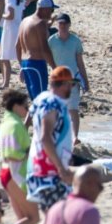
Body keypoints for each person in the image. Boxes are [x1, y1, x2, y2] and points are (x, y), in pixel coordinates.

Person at [25, 67, 75, 210]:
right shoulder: (52, 104)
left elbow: (30, 116)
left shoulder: (42, 98)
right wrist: (61, 168)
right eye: (71, 84)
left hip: (44, 167)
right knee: (56, 218)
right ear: (65, 84)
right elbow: (45, 138)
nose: (71, 88)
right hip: (48, 172)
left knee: (54, 219)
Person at [0, 89, 38, 224]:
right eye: (26, 107)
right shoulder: (14, 125)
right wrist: (30, 152)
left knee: (22, 219)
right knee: (33, 218)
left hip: (8, 173)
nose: (28, 110)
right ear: (16, 106)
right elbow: (10, 155)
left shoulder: (7, 123)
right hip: (15, 175)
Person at [48, 12, 89, 142]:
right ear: (57, 24)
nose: (63, 26)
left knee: (73, 109)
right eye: (60, 23)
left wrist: (86, 81)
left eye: (65, 23)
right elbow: (47, 59)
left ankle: (75, 136)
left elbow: (80, 63)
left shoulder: (75, 41)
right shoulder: (52, 40)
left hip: (72, 80)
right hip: (56, 80)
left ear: (69, 24)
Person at [16, 0, 58, 101]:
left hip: (26, 64)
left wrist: (21, 65)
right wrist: (55, 68)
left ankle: (32, 118)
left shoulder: (25, 21)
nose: (51, 13)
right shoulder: (39, 24)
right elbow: (44, 49)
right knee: (40, 99)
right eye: (51, 10)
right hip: (37, 64)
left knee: (35, 101)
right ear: (44, 9)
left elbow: (17, 46)